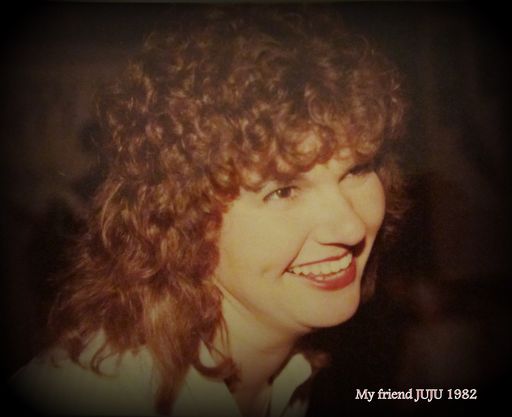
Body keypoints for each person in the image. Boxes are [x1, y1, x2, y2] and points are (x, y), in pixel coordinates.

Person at [11, 5, 407, 417]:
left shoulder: (290, 377)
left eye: (357, 170)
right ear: (181, 217)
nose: (350, 226)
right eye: (284, 191)